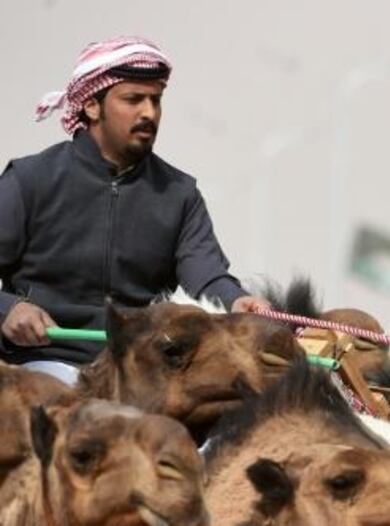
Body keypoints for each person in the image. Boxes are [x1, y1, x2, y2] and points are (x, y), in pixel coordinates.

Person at [0, 36, 270, 385]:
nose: (149, 112)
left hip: (142, 374)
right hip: (39, 368)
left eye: (156, 100)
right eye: (133, 99)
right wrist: (8, 310)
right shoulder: (28, 180)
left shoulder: (180, 194)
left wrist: (237, 301)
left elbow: (207, 276)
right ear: (92, 107)